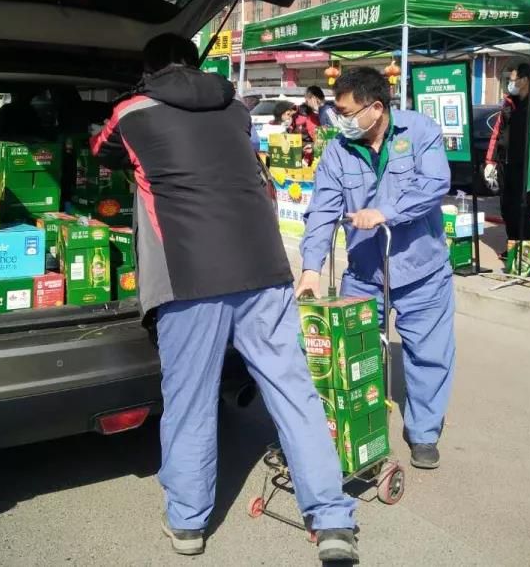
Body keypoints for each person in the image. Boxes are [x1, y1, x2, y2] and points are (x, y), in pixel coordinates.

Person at [91, 34, 358, 561]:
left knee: (190, 401)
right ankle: (332, 521)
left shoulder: (131, 111)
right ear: (196, 63)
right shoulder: (236, 108)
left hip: (191, 277)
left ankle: (188, 524)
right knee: (293, 392)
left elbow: (100, 149)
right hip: (263, 268)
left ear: (148, 71)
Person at [296, 67, 455, 470]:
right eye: (336, 111)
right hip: (365, 273)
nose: (340, 119)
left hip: (422, 271)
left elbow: (435, 184)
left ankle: (423, 433)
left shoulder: (419, 131)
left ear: (376, 107)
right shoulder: (337, 150)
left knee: (429, 355)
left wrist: (384, 212)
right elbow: (322, 211)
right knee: (353, 355)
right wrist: (311, 268)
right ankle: (358, 430)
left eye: (346, 111)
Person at [483, 63, 530, 257]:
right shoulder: (509, 103)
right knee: (507, 208)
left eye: (513, 79)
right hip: (507, 163)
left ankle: (528, 250)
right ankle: (513, 247)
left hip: (527, 165)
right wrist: (490, 162)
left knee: (522, 208)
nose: (510, 84)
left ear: (524, 80)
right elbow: (497, 133)